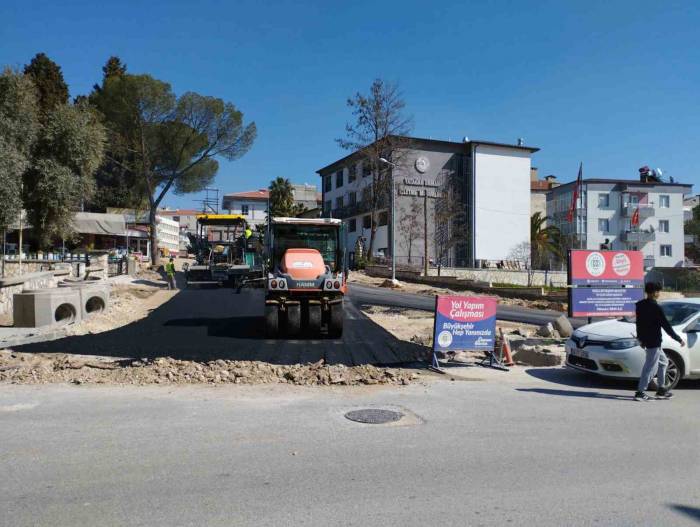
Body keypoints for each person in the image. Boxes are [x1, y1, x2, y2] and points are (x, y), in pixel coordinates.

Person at [634, 282, 685, 401]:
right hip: (654, 342)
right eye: (658, 291)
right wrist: (678, 339)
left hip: (648, 340)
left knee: (664, 362)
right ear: (654, 292)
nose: (659, 293)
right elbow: (666, 326)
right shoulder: (656, 307)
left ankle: (661, 390)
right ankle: (640, 392)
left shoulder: (640, 305)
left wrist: (640, 339)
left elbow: (639, 325)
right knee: (650, 367)